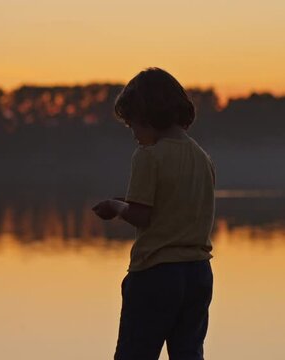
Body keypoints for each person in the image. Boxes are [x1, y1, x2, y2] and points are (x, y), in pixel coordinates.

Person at [92, 67, 215, 360]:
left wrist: (115, 207)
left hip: (157, 274)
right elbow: (173, 206)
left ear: (147, 116)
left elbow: (141, 216)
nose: (134, 134)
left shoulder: (149, 156)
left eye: (132, 124)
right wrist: (129, 202)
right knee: (188, 353)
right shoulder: (202, 158)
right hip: (198, 274)